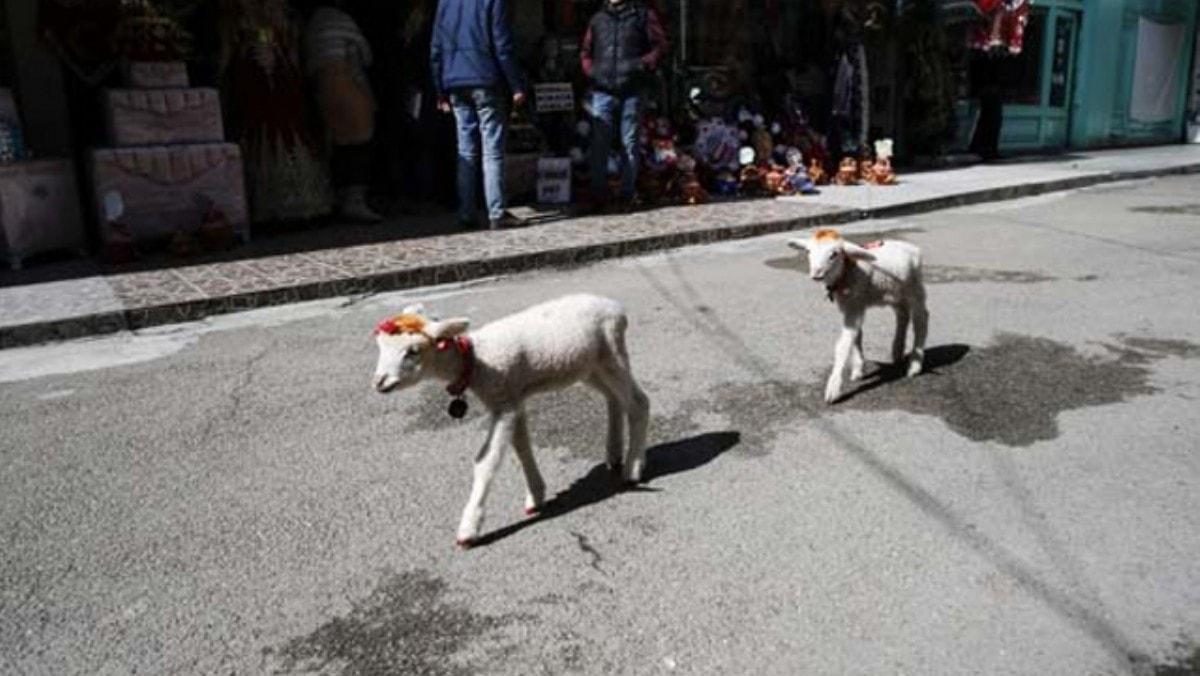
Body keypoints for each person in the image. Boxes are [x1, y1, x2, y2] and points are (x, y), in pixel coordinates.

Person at [430, 0, 526, 230]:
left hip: (454, 82)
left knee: (466, 151)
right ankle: (497, 212)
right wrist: (516, 85)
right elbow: (502, 44)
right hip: (485, 79)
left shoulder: (445, 3)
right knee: (492, 151)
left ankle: (466, 213)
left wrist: (440, 91)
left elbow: (435, 48)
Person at [580, 0, 668, 212]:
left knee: (629, 142)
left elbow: (660, 45)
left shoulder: (642, 15)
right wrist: (591, 71)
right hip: (603, 88)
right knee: (599, 142)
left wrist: (643, 64)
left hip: (633, 87)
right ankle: (598, 195)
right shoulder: (598, 18)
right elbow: (586, 50)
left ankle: (626, 195)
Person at [303, 2, 383, 222]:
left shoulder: (313, 26)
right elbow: (365, 55)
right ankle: (355, 200)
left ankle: (338, 196)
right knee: (360, 146)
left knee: (338, 147)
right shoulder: (342, 21)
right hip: (350, 87)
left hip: (323, 92)